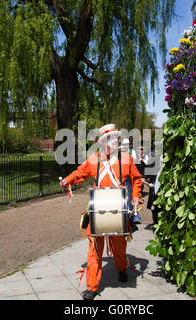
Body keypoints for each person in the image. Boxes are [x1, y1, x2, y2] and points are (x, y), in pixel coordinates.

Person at [60, 124, 143, 300]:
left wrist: (136, 196)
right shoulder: (94, 159)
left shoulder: (126, 159)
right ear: (104, 142)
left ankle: (121, 268)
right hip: (97, 208)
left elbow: (136, 179)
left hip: (119, 207)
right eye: (112, 138)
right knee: (94, 248)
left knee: (119, 244)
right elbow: (80, 173)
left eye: (116, 138)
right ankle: (92, 286)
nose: (116, 141)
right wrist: (67, 180)